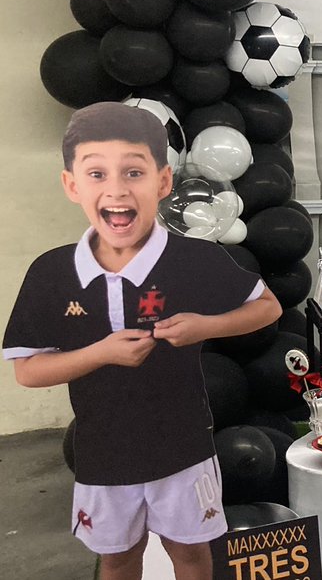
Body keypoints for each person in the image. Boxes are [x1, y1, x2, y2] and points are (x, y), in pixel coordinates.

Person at [3, 102, 282, 580]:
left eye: (134, 172)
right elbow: (27, 371)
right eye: (97, 173)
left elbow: (268, 308)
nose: (116, 189)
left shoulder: (194, 259)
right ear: (72, 184)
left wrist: (204, 326)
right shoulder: (51, 272)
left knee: (191, 553)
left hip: (183, 447)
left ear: (163, 181)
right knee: (117, 557)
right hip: (103, 453)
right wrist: (102, 353)